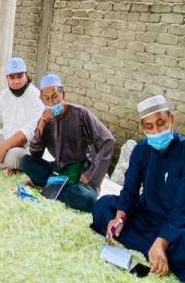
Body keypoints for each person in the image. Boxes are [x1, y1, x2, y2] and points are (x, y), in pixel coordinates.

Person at [91, 95, 185, 282]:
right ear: (142, 128)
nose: (156, 130)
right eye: (149, 126)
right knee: (102, 206)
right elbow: (129, 191)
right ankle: (154, 250)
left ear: (171, 120)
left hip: (177, 224)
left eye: (161, 123)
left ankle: (156, 248)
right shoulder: (141, 149)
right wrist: (120, 218)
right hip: (145, 215)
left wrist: (163, 241)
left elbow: (184, 208)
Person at [19, 73, 115, 212]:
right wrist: (41, 126)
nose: (51, 102)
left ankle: (51, 189)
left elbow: (108, 141)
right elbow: (35, 154)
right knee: (25, 162)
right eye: (47, 98)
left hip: (82, 173)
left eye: (55, 96)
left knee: (88, 199)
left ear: (63, 95)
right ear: (41, 99)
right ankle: (58, 189)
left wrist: (91, 176)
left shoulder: (81, 113)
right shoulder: (45, 118)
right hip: (59, 170)